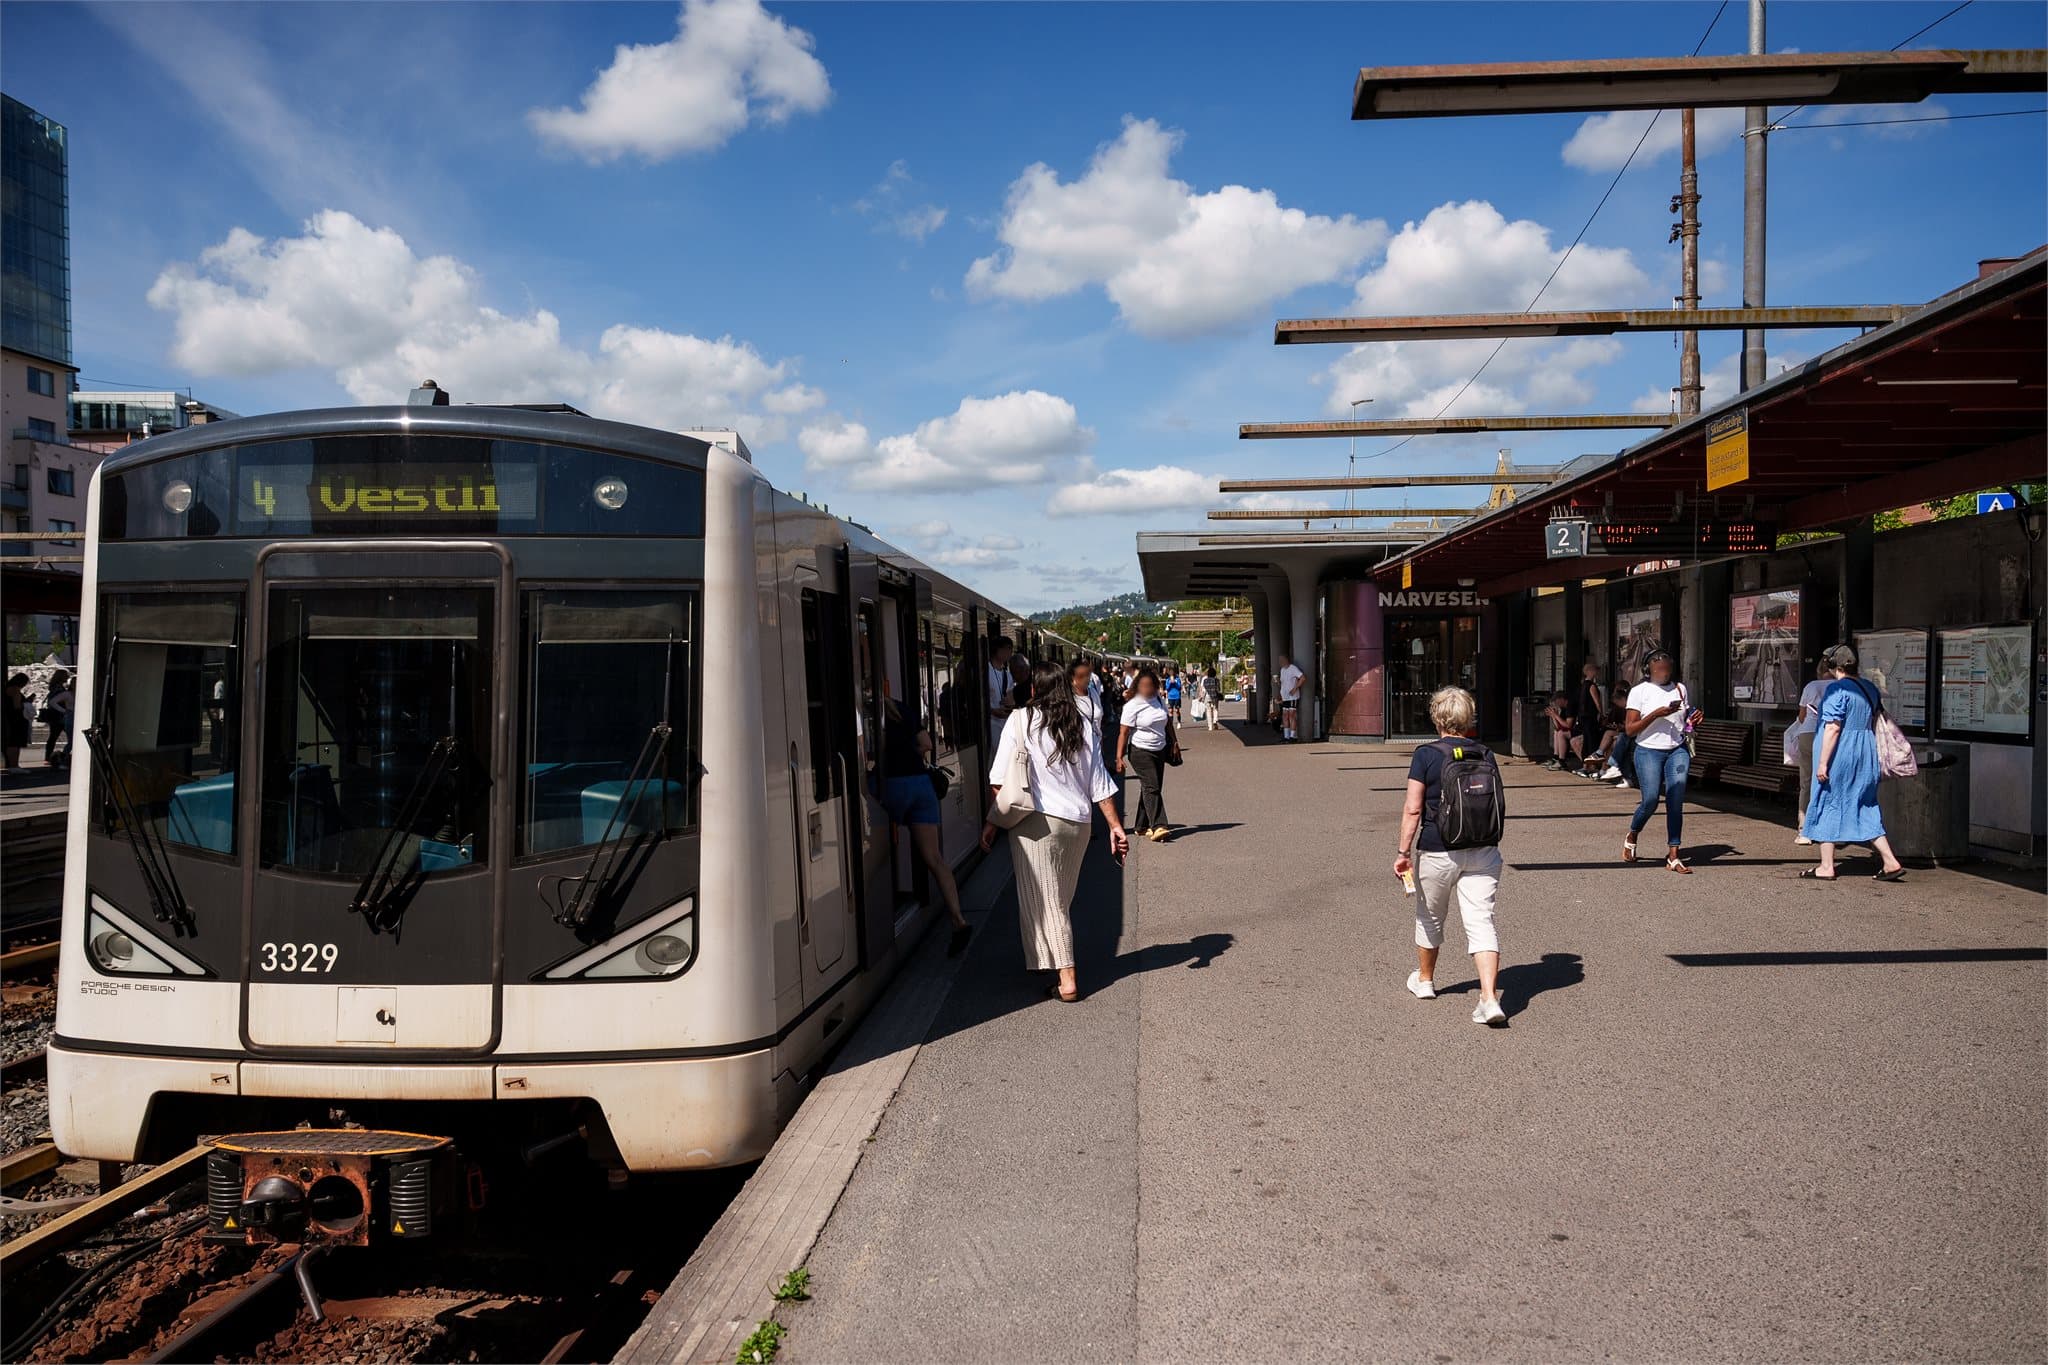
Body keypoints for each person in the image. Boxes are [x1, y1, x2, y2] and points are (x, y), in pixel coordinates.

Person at [982, 661, 1130, 1002]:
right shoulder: (1081, 723)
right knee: (1059, 899)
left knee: (1049, 903)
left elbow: (999, 780)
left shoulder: (1020, 720)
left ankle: (1067, 978)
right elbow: (1098, 781)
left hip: (1036, 823)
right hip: (1078, 823)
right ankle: (1049, 959)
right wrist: (1115, 825)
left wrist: (995, 820)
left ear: (1033, 689)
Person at [1392, 686, 1507, 1027]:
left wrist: (1403, 852)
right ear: (1468, 718)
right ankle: (1489, 999)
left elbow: (1414, 809)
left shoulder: (1426, 754)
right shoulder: (1485, 753)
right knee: (1481, 920)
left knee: (1430, 916)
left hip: (1439, 848)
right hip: (1484, 847)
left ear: (1436, 717)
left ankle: (1425, 981)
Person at [1801, 645, 1907, 882]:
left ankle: (1826, 866)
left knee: (1826, 801)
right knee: (1866, 804)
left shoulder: (1836, 690)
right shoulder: (1869, 688)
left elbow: (1833, 728)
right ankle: (1890, 861)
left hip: (1841, 754)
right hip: (1866, 751)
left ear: (1832, 666)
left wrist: (1822, 764)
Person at [879, 698, 972, 955]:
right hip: (921, 785)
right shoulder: (901, 708)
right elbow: (927, 743)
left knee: (877, 849)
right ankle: (958, 921)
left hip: (892, 785)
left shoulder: (863, 711)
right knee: (934, 858)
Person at [1622, 649, 1699, 873]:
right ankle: (1633, 833)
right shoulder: (1639, 692)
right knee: (1651, 800)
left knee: (1676, 798)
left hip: (1677, 749)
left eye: (1667, 669)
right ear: (1648, 670)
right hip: (1648, 751)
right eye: (1659, 670)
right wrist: (1657, 713)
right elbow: (1629, 730)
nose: (1664, 673)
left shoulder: (1680, 688)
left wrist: (1693, 716)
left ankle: (1673, 854)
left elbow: (1684, 719)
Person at [1116, 667, 1177, 841]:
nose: (1147, 689)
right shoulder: (1132, 705)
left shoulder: (1158, 699)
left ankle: (1141, 826)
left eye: (1150, 685)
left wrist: (1175, 742)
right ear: (1137, 686)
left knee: (1150, 787)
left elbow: (1167, 723)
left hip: (1160, 749)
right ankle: (1158, 825)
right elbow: (1124, 732)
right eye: (1143, 685)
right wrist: (1119, 757)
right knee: (1152, 787)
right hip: (1140, 750)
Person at [1787, 661, 1832, 844]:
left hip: (1807, 733)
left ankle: (1804, 830)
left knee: (1806, 782)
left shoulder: (1811, 686)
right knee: (1830, 782)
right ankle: (1829, 830)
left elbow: (1802, 716)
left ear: (1820, 671)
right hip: (1830, 736)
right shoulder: (1841, 686)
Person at [1602, 683, 1635, 787]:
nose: (1618, 706)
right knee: (1622, 741)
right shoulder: (1626, 709)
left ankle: (1614, 765)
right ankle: (1625, 777)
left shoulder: (1632, 707)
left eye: (1618, 703)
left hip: (1639, 735)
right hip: (1633, 734)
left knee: (1622, 739)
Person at [986, 637, 1015, 752]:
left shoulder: (1007, 674)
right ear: (997, 649)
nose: (1010, 653)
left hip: (1005, 722)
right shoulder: (986, 671)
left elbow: (1011, 696)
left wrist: (1010, 704)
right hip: (991, 724)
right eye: (1008, 649)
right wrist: (992, 710)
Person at [41, 670, 73, 767]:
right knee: (67, 737)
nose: (67, 678)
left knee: (53, 737)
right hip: (59, 716)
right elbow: (55, 701)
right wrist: (64, 710)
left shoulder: (53, 687)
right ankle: (58, 757)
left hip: (56, 716)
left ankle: (48, 757)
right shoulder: (59, 689)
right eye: (66, 676)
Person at [1541, 691, 1576, 771]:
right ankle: (1556, 758)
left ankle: (1562, 761)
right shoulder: (1563, 709)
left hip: (1578, 730)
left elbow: (1568, 725)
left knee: (1561, 733)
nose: (1556, 704)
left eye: (1556, 701)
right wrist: (1553, 716)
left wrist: (1556, 715)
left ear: (1561, 699)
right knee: (1557, 732)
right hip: (1570, 731)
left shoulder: (1570, 706)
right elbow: (1557, 727)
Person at [2, 674, 28, 770]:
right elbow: (17, 706)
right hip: (16, 718)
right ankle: (14, 765)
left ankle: (11, 764)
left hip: (7, 717)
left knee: (11, 742)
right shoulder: (15, 690)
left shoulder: (6, 688)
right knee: (15, 743)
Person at [1277, 654, 1304, 741]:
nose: (1280, 662)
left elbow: (1302, 678)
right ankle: (1286, 736)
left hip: (1292, 697)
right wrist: (1277, 682)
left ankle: (1292, 736)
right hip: (1285, 697)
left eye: (1282, 660)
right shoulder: (1282, 670)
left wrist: (1295, 688)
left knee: (1291, 715)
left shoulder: (1293, 668)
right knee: (1285, 715)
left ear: (1286, 660)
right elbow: (1282, 684)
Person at [1199, 667, 1221, 732]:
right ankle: (1215, 720)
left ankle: (1210, 726)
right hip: (1214, 696)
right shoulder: (1216, 680)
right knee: (1215, 708)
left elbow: (1204, 690)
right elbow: (1218, 689)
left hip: (1207, 697)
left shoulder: (1205, 680)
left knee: (1208, 711)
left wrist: (1201, 697)